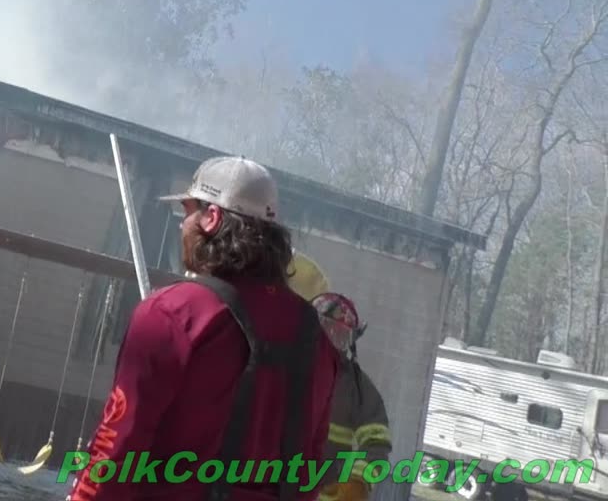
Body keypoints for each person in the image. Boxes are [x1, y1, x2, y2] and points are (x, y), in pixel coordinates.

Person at [66, 156, 341, 501]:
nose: (183, 225)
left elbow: (117, 445)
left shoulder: (172, 314)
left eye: (188, 211)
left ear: (212, 218)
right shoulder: (317, 341)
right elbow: (309, 469)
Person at [305, 293, 391, 501]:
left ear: (351, 341)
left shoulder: (358, 389)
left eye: (339, 335)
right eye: (323, 330)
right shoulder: (280, 367)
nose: (328, 341)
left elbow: (376, 445)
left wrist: (356, 482)